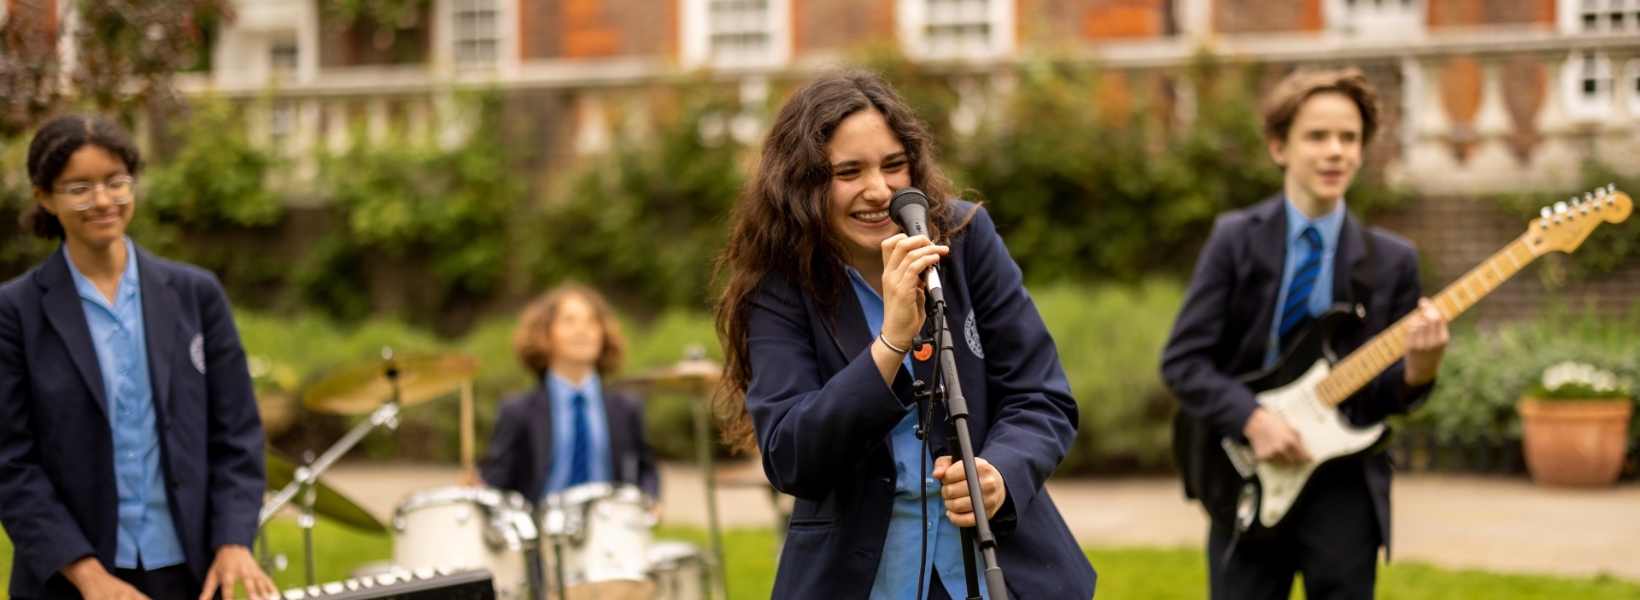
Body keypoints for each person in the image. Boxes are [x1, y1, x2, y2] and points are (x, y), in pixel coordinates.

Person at [712, 70, 1097, 599]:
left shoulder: (964, 240)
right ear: (801, 183)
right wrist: (891, 343)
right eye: (849, 171)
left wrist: (1001, 473)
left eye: (894, 165)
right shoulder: (780, 285)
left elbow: (1042, 396)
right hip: (862, 577)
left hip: (996, 564)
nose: (880, 190)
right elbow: (790, 454)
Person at [1160, 68, 1450, 600]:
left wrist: (1418, 373)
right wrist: (1251, 419)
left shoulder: (1392, 262)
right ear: (1279, 146)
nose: (1335, 151)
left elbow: (1385, 398)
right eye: (1317, 136)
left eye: (1349, 138)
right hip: (1245, 464)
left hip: (1344, 484)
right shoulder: (1234, 240)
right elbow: (1183, 362)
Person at [0, 115, 274, 600]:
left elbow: (237, 434)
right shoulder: (14, 312)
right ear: (44, 197)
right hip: (71, 581)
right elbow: (11, 463)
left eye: (116, 182)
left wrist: (233, 538)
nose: (103, 200)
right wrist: (89, 577)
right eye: (79, 187)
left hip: (193, 571)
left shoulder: (197, 294)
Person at [480, 283, 660, 506]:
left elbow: (646, 470)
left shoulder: (626, 408)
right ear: (544, 334)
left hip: (609, 529)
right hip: (540, 532)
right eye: (569, 321)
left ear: (602, 334)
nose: (582, 330)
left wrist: (652, 498)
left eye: (592, 321)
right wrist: (479, 489)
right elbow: (498, 481)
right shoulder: (517, 411)